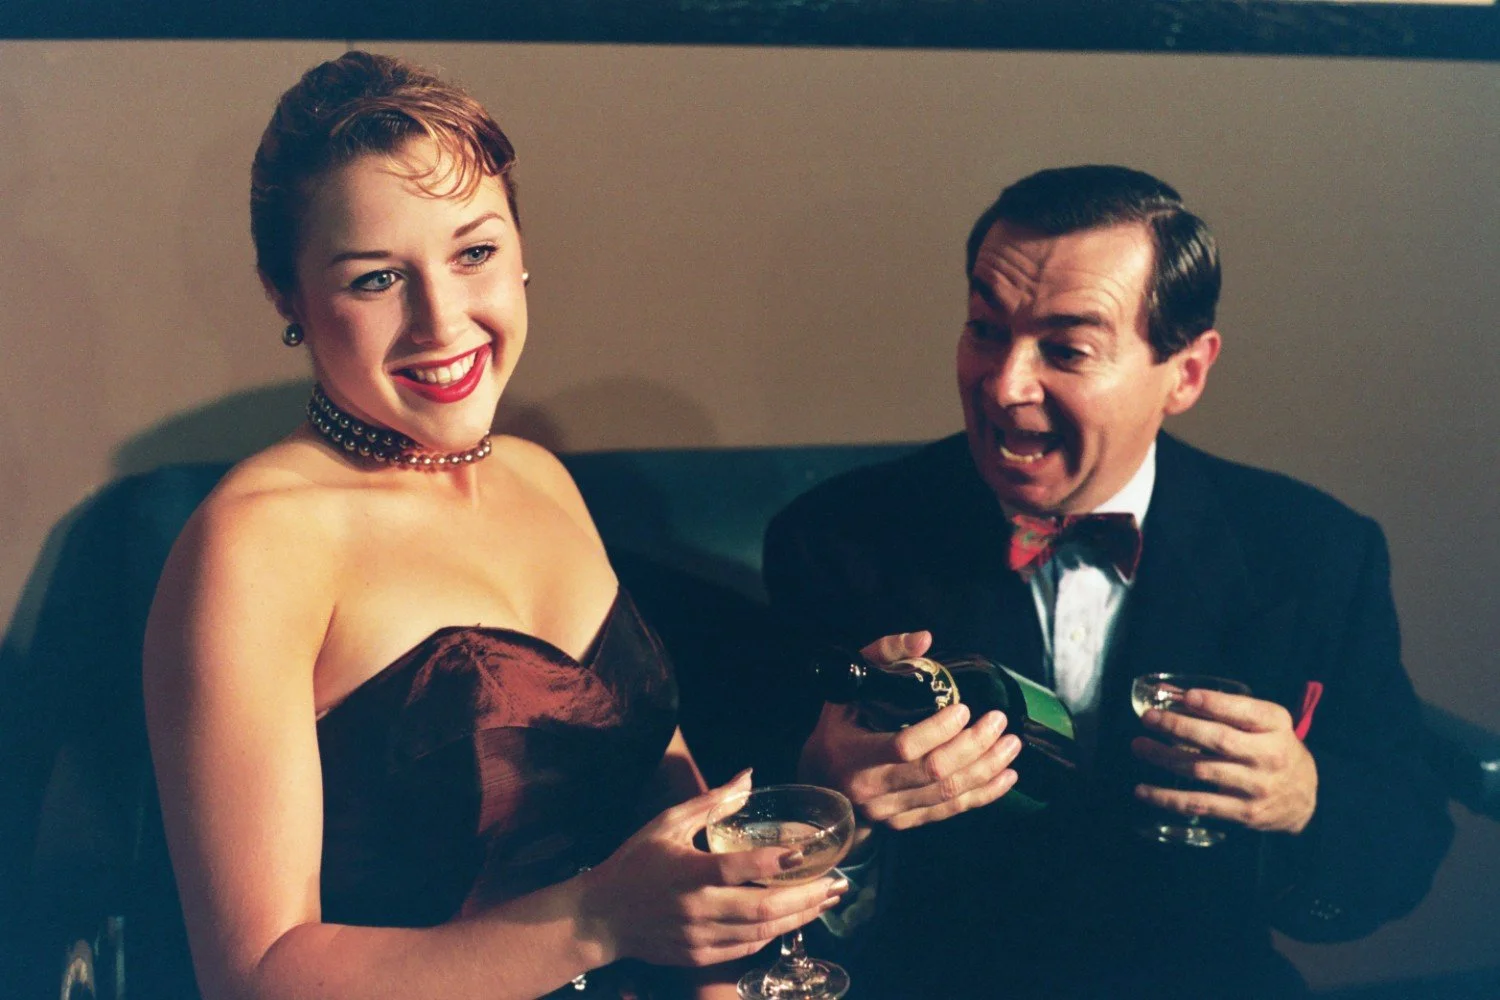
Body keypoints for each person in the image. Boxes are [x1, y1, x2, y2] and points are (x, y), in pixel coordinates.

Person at [142, 51, 845, 1000]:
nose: (444, 320)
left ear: (519, 254)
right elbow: (256, 978)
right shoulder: (254, 546)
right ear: (287, 295)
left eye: (474, 253)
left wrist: (836, 784)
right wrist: (596, 921)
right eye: (376, 278)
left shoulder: (536, 475)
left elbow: (665, 814)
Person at [763, 165, 1454, 999]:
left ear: (1186, 373)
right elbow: (737, 855)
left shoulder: (1314, 552)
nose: (1005, 384)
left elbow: (1404, 849)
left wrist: (1303, 797)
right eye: (987, 329)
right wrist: (833, 800)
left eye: (1067, 350)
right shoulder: (835, 541)